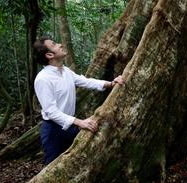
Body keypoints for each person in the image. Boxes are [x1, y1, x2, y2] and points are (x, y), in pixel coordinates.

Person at [33, 36, 124, 165]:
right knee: (53, 165)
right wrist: (79, 122)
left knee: (74, 162)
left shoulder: (65, 71)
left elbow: (86, 82)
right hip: (53, 131)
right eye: (54, 44)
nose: (60, 44)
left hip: (70, 126)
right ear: (49, 55)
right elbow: (51, 112)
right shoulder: (43, 79)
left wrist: (111, 83)